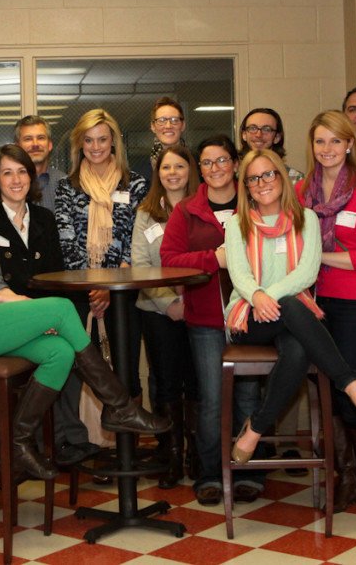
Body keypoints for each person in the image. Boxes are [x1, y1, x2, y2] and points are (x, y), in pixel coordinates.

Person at [0, 138, 169, 482]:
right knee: (59, 309)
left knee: (57, 350)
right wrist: (3, 301)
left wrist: (20, 305)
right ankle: (119, 406)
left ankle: (21, 440)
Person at [225, 149, 356, 475]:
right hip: (248, 316)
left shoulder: (305, 219)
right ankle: (349, 382)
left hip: (290, 317)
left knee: (296, 348)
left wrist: (270, 297)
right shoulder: (236, 223)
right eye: (253, 178)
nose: (262, 182)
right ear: (246, 186)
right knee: (294, 307)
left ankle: (254, 430)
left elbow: (307, 273)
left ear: (281, 177)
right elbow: (240, 275)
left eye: (269, 174)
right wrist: (258, 297)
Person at [0, 144, 97, 467]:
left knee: (65, 347)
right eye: (7, 173)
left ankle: (64, 440)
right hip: (4, 318)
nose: (17, 180)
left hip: (45, 315)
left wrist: (50, 314)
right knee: (66, 343)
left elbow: (56, 276)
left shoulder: (45, 218)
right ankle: (60, 437)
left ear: (32, 177)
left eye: (23, 171)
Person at [161, 135, 264, 506]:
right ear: (199, 170)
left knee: (249, 395)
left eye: (222, 160)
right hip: (205, 319)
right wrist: (213, 259)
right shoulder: (186, 210)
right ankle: (209, 472)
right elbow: (170, 261)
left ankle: (249, 470)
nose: (215, 168)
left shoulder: (257, 202)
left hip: (253, 317)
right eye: (207, 163)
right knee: (210, 399)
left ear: (236, 164)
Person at [296, 110, 356, 512]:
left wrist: (320, 257)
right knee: (322, 389)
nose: (327, 149)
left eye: (335, 141)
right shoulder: (299, 193)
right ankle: (342, 470)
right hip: (310, 302)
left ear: (350, 144)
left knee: (350, 391)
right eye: (319, 141)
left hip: (351, 301)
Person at [54, 109, 148, 399]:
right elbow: (66, 240)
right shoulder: (66, 187)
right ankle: (90, 440)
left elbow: (137, 239)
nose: (96, 147)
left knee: (125, 371)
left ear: (114, 143)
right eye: (89, 140)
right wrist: (92, 286)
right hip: (81, 295)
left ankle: (127, 439)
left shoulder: (135, 184)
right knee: (86, 371)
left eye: (102, 139)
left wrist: (110, 285)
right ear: (80, 144)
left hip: (122, 294)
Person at [130, 145, 200, 488]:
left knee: (199, 383)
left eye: (179, 166)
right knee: (167, 384)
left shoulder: (203, 207)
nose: (172, 173)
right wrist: (169, 304)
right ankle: (172, 457)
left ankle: (199, 456)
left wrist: (191, 304)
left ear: (191, 170)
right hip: (158, 312)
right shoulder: (146, 213)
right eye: (165, 168)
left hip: (201, 310)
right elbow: (141, 266)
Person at [15, 115, 65, 213]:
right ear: (17, 146)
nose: (35, 144)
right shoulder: (3, 185)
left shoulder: (65, 184)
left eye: (41, 138)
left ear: (50, 145)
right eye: (28, 139)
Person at [238, 107, 303, 183]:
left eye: (266, 129)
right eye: (253, 128)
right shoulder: (234, 179)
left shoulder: (296, 180)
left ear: (277, 137)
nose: (258, 134)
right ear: (244, 135)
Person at [133, 96, 187, 184]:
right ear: (153, 126)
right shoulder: (138, 174)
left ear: (183, 125)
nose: (168, 126)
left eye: (174, 120)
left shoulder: (198, 165)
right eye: (162, 120)